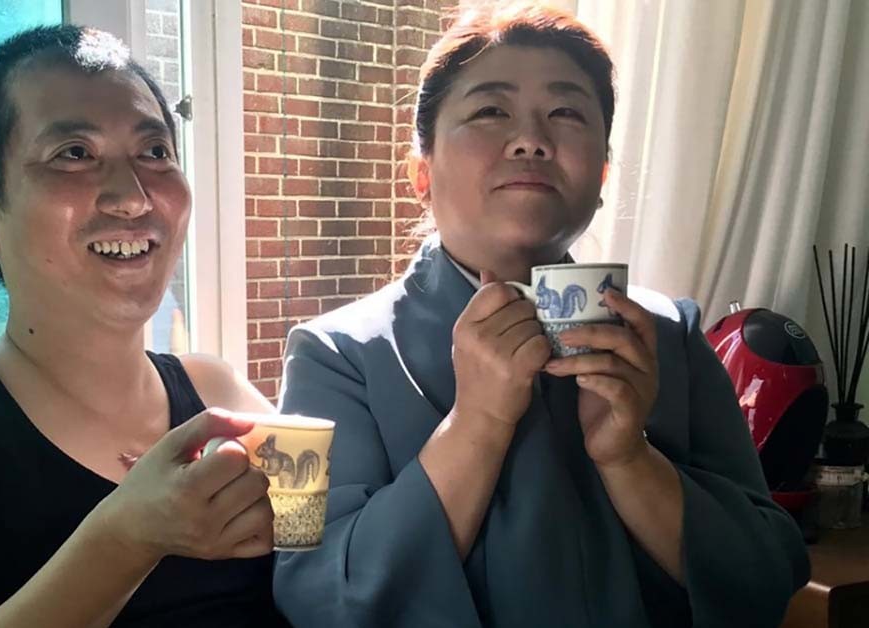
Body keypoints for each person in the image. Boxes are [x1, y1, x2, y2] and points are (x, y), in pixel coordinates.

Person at [272, 5, 809, 627]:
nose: (531, 139)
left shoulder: (674, 335)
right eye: (490, 111)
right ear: (420, 171)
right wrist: (476, 426)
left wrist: (630, 459)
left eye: (566, 113)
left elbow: (771, 572)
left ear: (601, 176)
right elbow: (303, 587)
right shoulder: (319, 354)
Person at [0, 25, 288, 628]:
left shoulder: (216, 392)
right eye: (74, 154)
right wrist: (126, 539)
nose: (133, 197)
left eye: (154, 152)